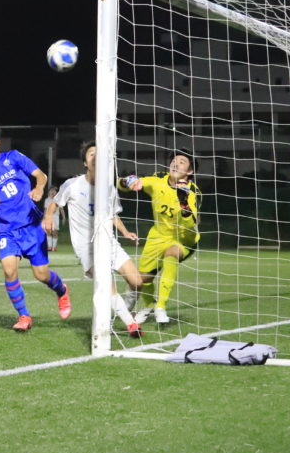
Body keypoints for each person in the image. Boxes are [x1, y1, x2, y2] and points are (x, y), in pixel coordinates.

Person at [0, 118, 70, 332]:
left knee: (41, 274)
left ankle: (61, 291)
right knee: (9, 270)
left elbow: (41, 175)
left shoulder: (12, 157)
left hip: (31, 225)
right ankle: (24, 316)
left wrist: (39, 188)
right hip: (6, 231)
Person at [43, 141, 144, 337]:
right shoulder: (72, 185)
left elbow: (113, 214)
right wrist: (48, 216)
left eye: (99, 153)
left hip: (109, 242)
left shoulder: (109, 188)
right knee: (107, 284)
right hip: (87, 247)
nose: (96, 156)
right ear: (85, 162)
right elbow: (55, 202)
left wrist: (125, 232)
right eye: (91, 154)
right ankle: (131, 324)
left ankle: (125, 308)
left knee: (137, 282)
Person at [120, 152, 201, 325]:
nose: (176, 164)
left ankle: (160, 307)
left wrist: (184, 206)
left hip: (183, 239)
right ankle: (149, 305)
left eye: (182, 162)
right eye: (174, 161)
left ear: (190, 171)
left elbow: (192, 224)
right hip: (157, 236)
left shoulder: (193, 192)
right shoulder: (158, 180)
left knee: (171, 253)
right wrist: (128, 181)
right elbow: (128, 184)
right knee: (141, 280)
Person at [44, 186, 61, 252]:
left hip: (55, 216)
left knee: (54, 232)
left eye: (54, 191)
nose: (53, 192)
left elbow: (60, 209)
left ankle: (54, 247)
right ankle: (49, 246)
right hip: (48, 216)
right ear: (49, 192)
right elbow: (45, 209)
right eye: (51, 190)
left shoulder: (57, 199)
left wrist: (64, 217)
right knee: (48, 231)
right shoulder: (47, 200)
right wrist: (44, 217)